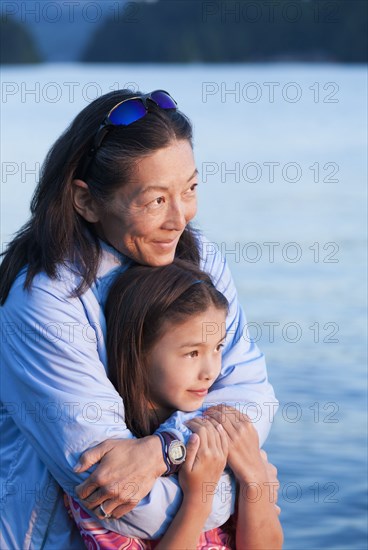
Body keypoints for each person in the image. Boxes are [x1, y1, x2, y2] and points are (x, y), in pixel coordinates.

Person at [0, 89, 278, 549]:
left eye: (189, 190)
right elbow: (131, 509)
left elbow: (252, 394)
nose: (179, 219)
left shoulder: (200, 259)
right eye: (154, 201)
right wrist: (251, 480)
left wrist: (161, 450)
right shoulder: (45, 302)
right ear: (86, 202)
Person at [66, 260, 283, 549]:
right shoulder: (118, 465)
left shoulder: (214, 429)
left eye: (218, 348)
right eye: (192, 353)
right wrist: (199, 498)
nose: (210, 370)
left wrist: (255, 477)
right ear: (139, 352)